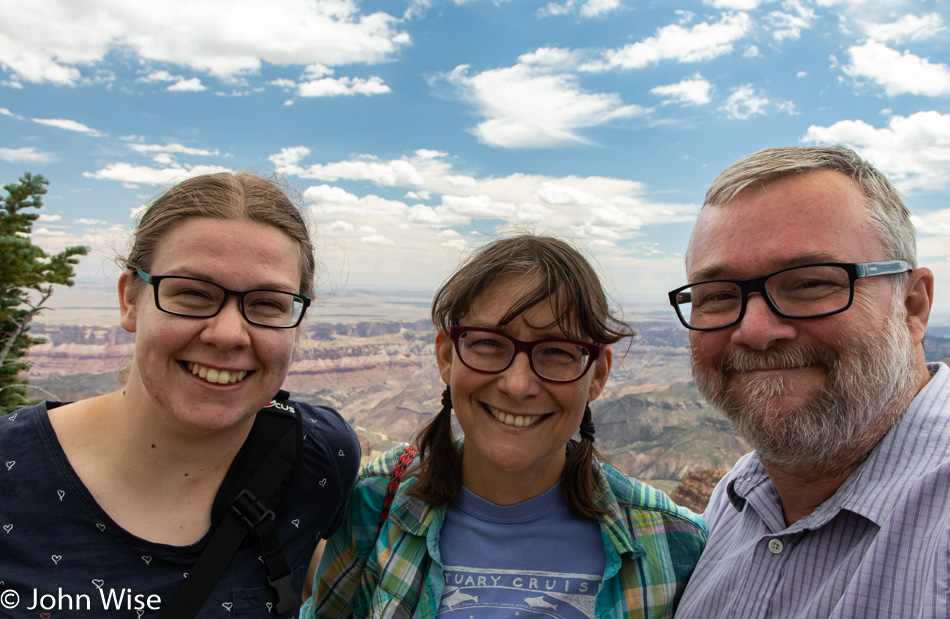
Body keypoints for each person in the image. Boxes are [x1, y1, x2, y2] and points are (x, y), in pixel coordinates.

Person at [0, 172, 360, 617]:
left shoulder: (320, 456)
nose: (228, 335)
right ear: (130, 299)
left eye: (268, 303)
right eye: (192, 293)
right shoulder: (9, 468)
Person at [305, 234, 706, 619]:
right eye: (488, 344)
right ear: (446, 356)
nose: (517, 386)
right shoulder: (376, 504)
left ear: (597, 373)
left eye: (556, 352)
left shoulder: (671, 544)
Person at [668, 146, 949, 617]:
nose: (755, 331)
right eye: (717, 295)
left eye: (810, 283)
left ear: (912, 305)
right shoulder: (735, 500)